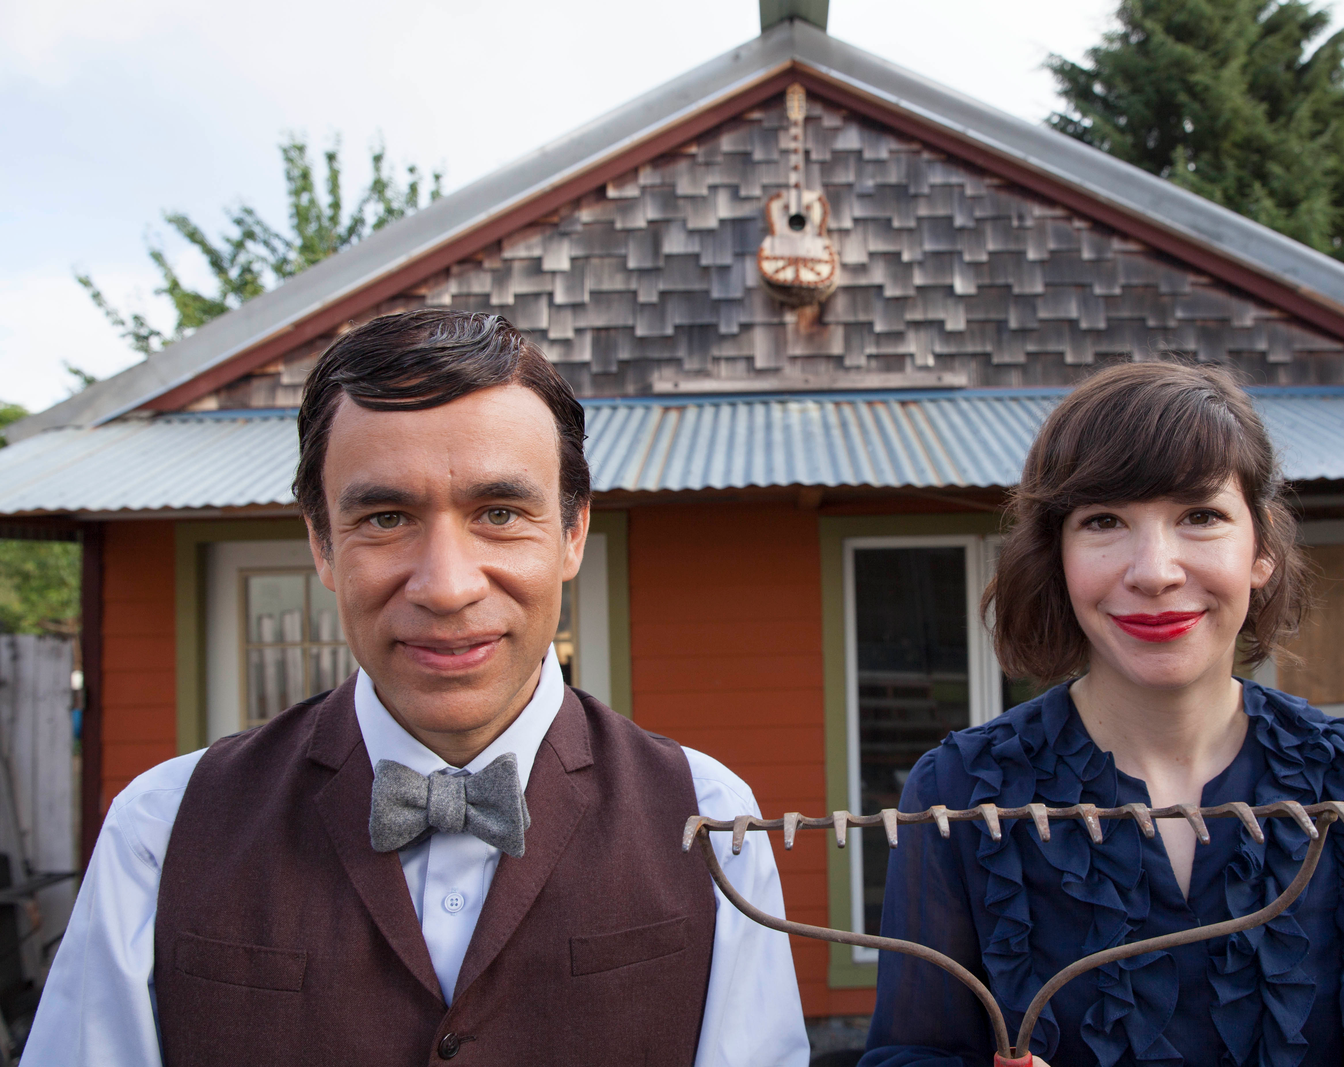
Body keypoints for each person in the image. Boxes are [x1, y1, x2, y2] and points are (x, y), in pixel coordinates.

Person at [25, 310, 809, 1066]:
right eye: (387, 517)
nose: (445, 586)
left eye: (500, 512)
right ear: (322, 543)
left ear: (572, 533)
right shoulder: (159, 831)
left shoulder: (715, 820)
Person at [861, 362, 1344, 1067]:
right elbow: (909, 1050)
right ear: (1056, 557)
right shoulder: (958, 795)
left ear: (1263, 550)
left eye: (1200, 516)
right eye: (1104, 521)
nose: (1154, 570)